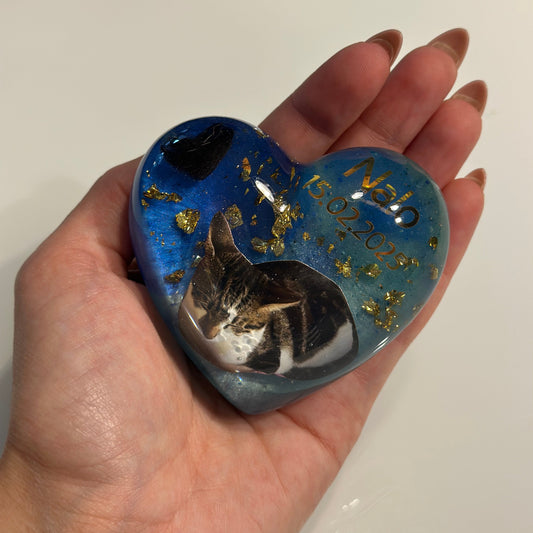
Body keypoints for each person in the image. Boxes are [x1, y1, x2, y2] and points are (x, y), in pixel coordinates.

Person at [0, 28, 486, 532]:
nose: (211, 328)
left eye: (222, 317)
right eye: (211, 307)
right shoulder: (213, 277)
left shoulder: (278, 334)